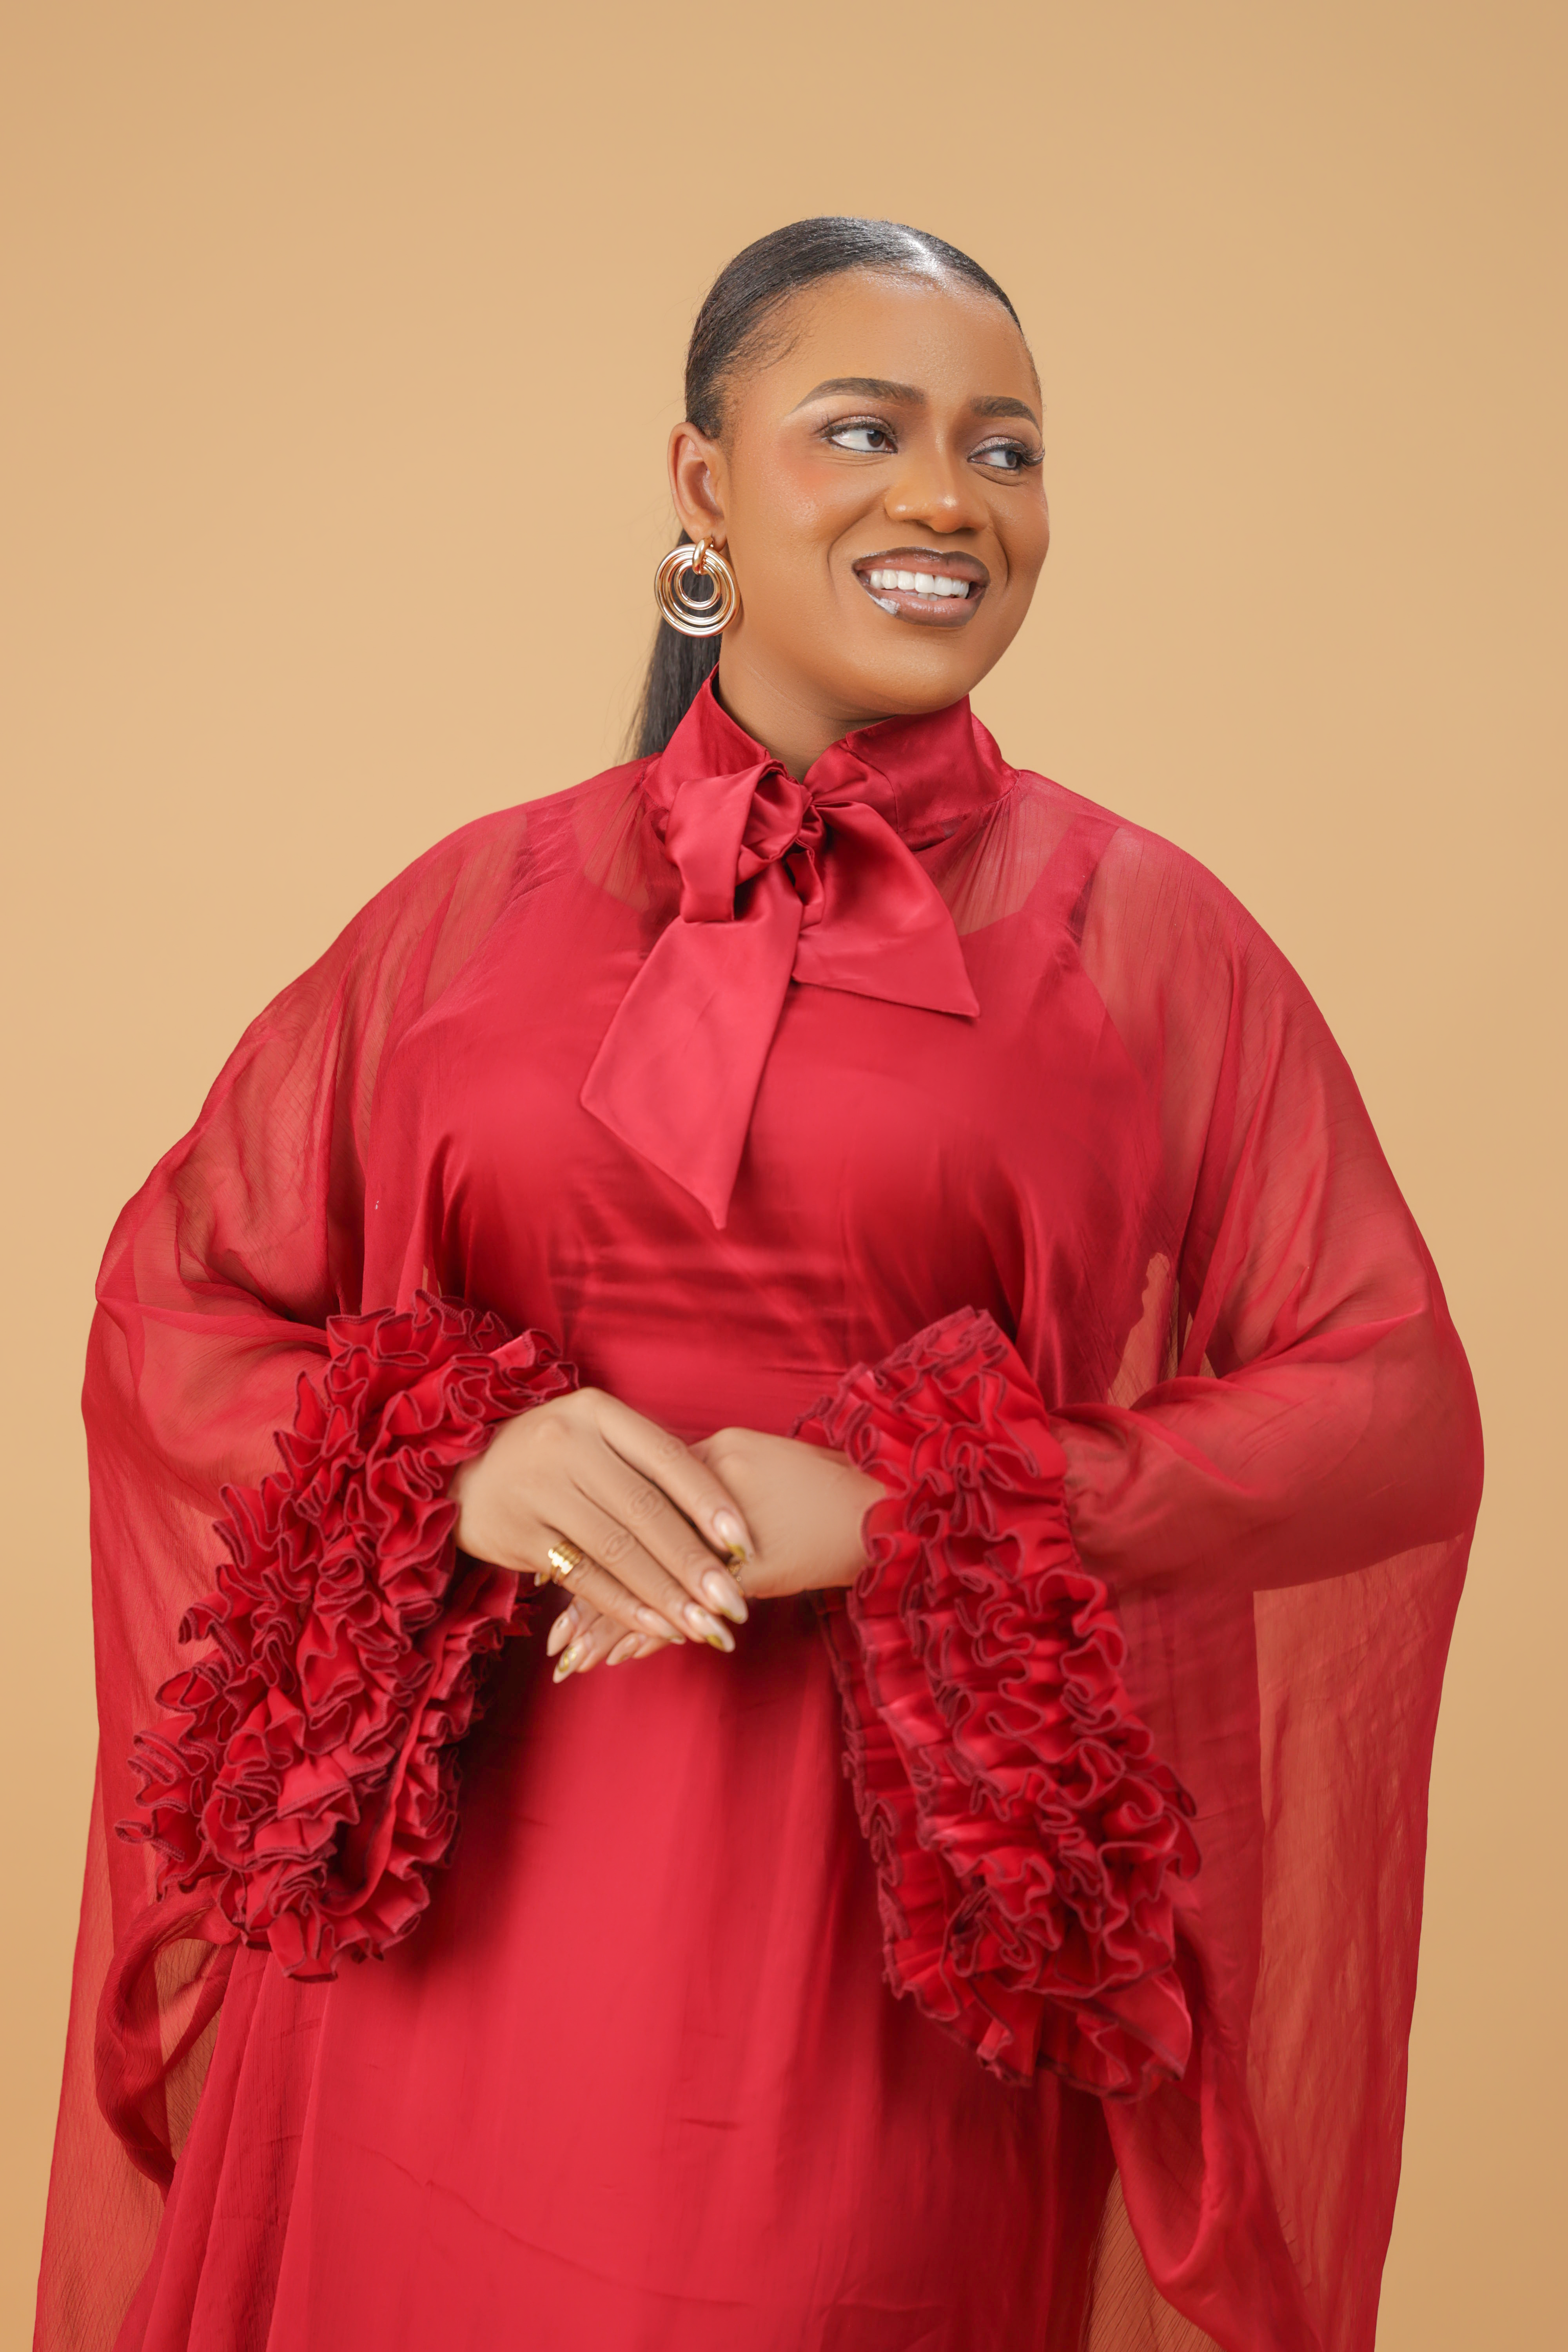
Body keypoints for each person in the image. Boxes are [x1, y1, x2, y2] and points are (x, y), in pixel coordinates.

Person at [35, 217, 1481, 2352]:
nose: (947, 499)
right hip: (445, 1934)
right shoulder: (479, 908)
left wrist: (918, 1504)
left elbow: (1387, 1410)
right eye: (865, 430)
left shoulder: (1143, 942)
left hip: (881, 1964)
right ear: (703, 485)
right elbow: (173, 1309)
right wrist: (461, 1459)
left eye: (1006, 449)